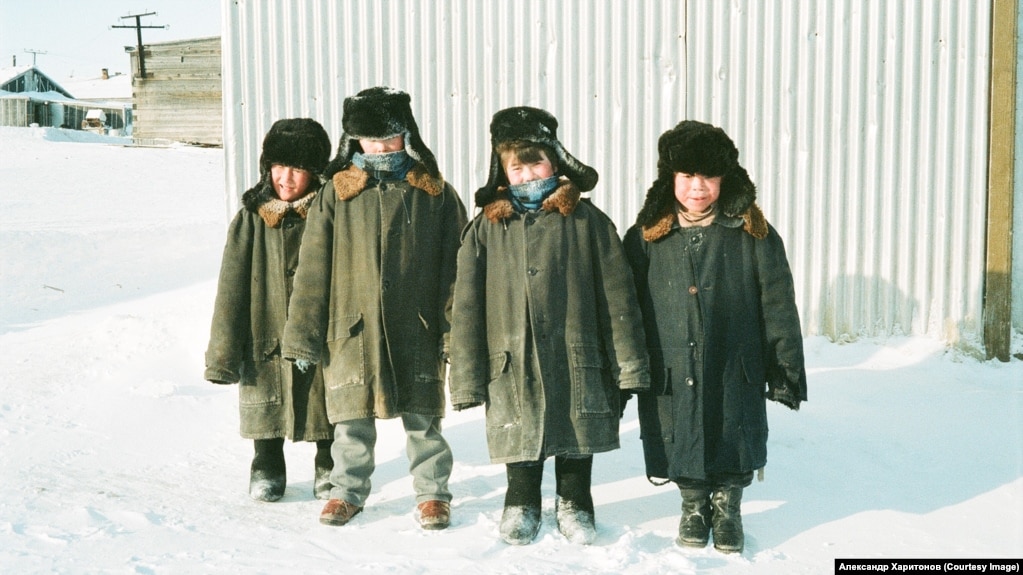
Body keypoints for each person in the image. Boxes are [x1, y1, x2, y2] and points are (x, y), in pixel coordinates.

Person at [448, 106, 650, 546]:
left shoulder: (589, 222)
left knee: (577, 427)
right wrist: (464, 377)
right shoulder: (485, 229)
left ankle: (575, 500)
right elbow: (464, 309)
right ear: (502, 172)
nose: (526, 173)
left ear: (555, 161)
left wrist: (629, 366)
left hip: (578, 349)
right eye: (515, 166)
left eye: (535, 161)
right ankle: (520, 499)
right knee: (520, 421)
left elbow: (619, 298)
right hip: (509, 355)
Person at [281, 87, 467, 531]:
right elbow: (312, 269)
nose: (380, 149)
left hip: (417, 325)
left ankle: (433, 493)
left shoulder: (434, 192)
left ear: (407, 136)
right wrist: (303, 334)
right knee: (351, 419)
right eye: (369, 140)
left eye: (389, 138)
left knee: (424, 418)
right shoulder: (335, 194)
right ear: (354, 141)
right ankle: (347, 491)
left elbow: (459, 266)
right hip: (350, 326)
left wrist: (454, 330)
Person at [623, 120, 807, 554]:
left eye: (708, 176)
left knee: (733, 427)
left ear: (726, 178)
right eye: (687, 176)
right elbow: (625, 306)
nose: (697, 187)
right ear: (670, 179)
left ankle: (727, 504)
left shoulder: (753, 234)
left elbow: (778, 302)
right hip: (671, 360)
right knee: (680, 429)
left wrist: (784, 365)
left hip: (734, 360)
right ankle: (692, 503)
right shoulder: (646, 238)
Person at [204, 118, 335, 502]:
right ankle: (266, 461)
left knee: (322, 392)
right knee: (265, 385)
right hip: (263, 324)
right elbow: (230, 288)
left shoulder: (332, 215)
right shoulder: (252, 217)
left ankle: (328, 460)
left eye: (297, 169)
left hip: (319, 326)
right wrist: (223, 355)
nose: (286, 179)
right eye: (279, 167)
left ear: (315, 172)